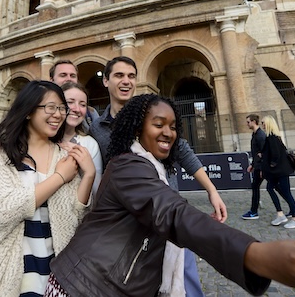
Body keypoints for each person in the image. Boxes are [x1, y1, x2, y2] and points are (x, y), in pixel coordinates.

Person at [46, 94, 295, 297]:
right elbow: (173, 213)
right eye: (158, 124)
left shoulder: (150, 167)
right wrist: (256, 255)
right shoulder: (128, 166)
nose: (168, 132)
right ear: (136, 129)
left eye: (173, 126)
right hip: (85, 287)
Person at [89, 56, 226, 296]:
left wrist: (212, 190)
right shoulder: (97, 129)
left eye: (131, 76)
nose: (126, 81)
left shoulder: (152, 113)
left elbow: (183, 151)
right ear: (106, 81)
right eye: (119, 75)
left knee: (185, 284)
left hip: (168, 214)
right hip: (128, 226)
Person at [0, 80, 96, 297]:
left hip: (57, 271)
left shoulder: (65, 156)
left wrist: (89, 176)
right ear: (28, 110)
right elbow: (4, 211)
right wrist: (59, 177)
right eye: (50, 107)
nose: (58, 114)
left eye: (61, 108)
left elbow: (77, 217)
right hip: (7, 271)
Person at [60, 81, 103, 196]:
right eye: (70, 102)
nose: (77, 109)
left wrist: (86, 168)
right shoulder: (42, 140)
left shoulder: (90, 144)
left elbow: (96, 192)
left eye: (83, 104)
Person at [260, 115, 295, 229]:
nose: (262, 125)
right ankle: (280, 214)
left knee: (286, 193)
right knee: (271, 189)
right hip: (278, 171)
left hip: (279, 171)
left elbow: (276, 155)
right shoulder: (275, 137)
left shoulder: (272, 138)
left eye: (263, 123)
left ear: (268, 124)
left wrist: (270, 164)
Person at [49, 60, 99, 133]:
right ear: (52, 80)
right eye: (63, 75)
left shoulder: (90, 113)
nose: (69, 79)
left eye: (72, 76)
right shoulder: (42, 110)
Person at [242, 114, 267, 220]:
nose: (247, 124)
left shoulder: (260, 135)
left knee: (256, 186)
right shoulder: (255, 134)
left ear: (253, 122)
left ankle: (253, 211)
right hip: (258, 166)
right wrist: (252, 165)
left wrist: (261, 168)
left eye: (248, 122)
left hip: (261, 167)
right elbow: (256, 152)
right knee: (276, 188)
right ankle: (294, 208)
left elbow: (264, 153)